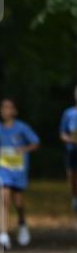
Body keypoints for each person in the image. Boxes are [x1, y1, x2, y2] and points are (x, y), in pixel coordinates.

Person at [0, 98, 39, 249]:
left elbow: (35, 142)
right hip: (2, 168)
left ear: (15, 111)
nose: (5, 110)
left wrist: (23, 149)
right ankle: (3, 234)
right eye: (3, 107)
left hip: (18, 169)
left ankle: (22, 223)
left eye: (9, 107)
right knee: (4, 198)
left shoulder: (22, 127)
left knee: (18, 203)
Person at [58, 86, 77, 215]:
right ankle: (75, 197)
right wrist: (70, 140)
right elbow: (62, 133)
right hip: (72, 150)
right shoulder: (68, 113)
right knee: (72, 176)